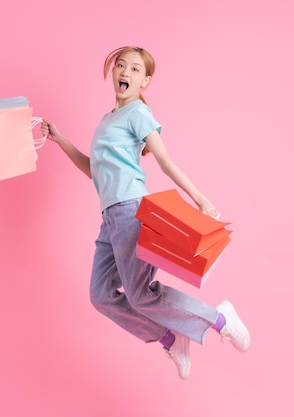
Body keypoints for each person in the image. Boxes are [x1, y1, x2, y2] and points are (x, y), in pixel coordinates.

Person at [41, 46, 250, 379]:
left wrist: (200, 198)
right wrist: (60, 139)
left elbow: (164, 160)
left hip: (132, 211)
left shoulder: (138, 113)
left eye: (135, 69)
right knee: (101, 296)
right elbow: (95, 171)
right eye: (121, 66)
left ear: (145, 80)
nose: (125, 72)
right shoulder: (107, 119)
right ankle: (169, 336)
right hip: (110, 218)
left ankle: (220, 319)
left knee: (140, 294)